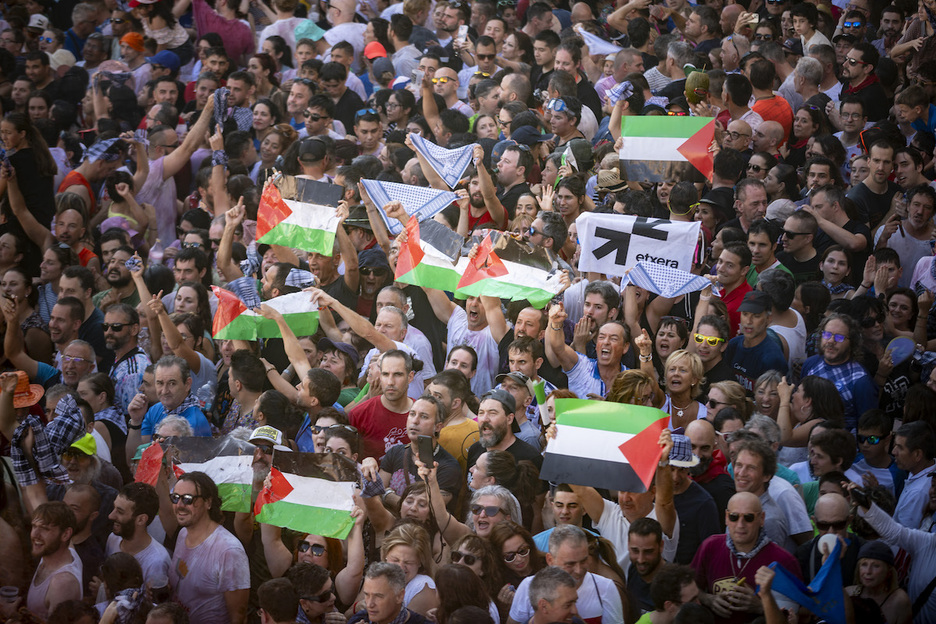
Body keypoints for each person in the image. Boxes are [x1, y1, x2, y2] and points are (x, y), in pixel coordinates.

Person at [692, 492, 802, 624]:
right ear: (726, 517)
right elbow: (690, 588)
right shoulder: (710, 546)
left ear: (761, 519)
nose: (740, 524)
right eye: (734, 517)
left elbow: (793, 617)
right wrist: (708, 599)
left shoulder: (783, 561)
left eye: (748, 518)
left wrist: (760, 606)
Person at [168, 472, 250, 624]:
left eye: (187, 499)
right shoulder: (182, 534)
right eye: (175, 498)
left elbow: (238, 616)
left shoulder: (229, 550)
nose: (179, 505)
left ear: (208, 503)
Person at [506, 525, 624, 624]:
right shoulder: (528, 587)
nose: (578, 570)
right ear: (550, 560)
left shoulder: (605, 588)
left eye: (583, 561)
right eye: (570, 564)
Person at [26, 502, 83, 621]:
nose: (35, 534)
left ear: (66, 534)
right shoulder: (52, 550)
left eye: (44, 529)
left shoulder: (62, 584)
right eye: (34, 526)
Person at [349, 562, 430, 624]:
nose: (369, 604)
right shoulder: (358, 619)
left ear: (400, 596)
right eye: (366, 595)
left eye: (378, 596)